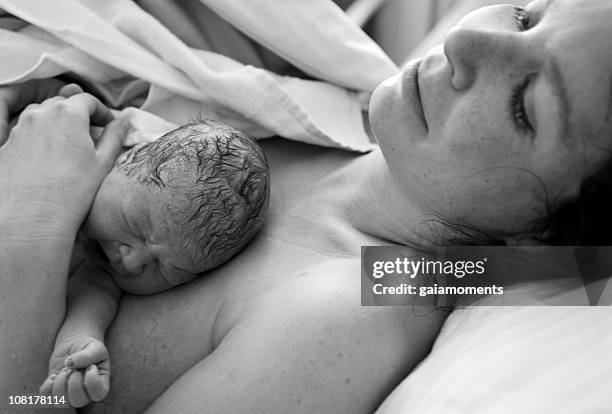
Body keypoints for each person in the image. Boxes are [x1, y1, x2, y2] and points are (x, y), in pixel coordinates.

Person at [1, 0, 611, 412]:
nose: (469, 39)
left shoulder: (341, 313)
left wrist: (29, 223)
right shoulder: (320, 114)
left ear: (542, 234)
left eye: (525, 104)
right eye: (525, 14)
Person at [0, 83, 270, 407]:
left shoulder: (106, 270)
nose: (130, 263)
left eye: (165, 268)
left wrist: (78, 340)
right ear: (129, 157)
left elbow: (93, 295)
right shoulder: (85, 143)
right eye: (138, 227)